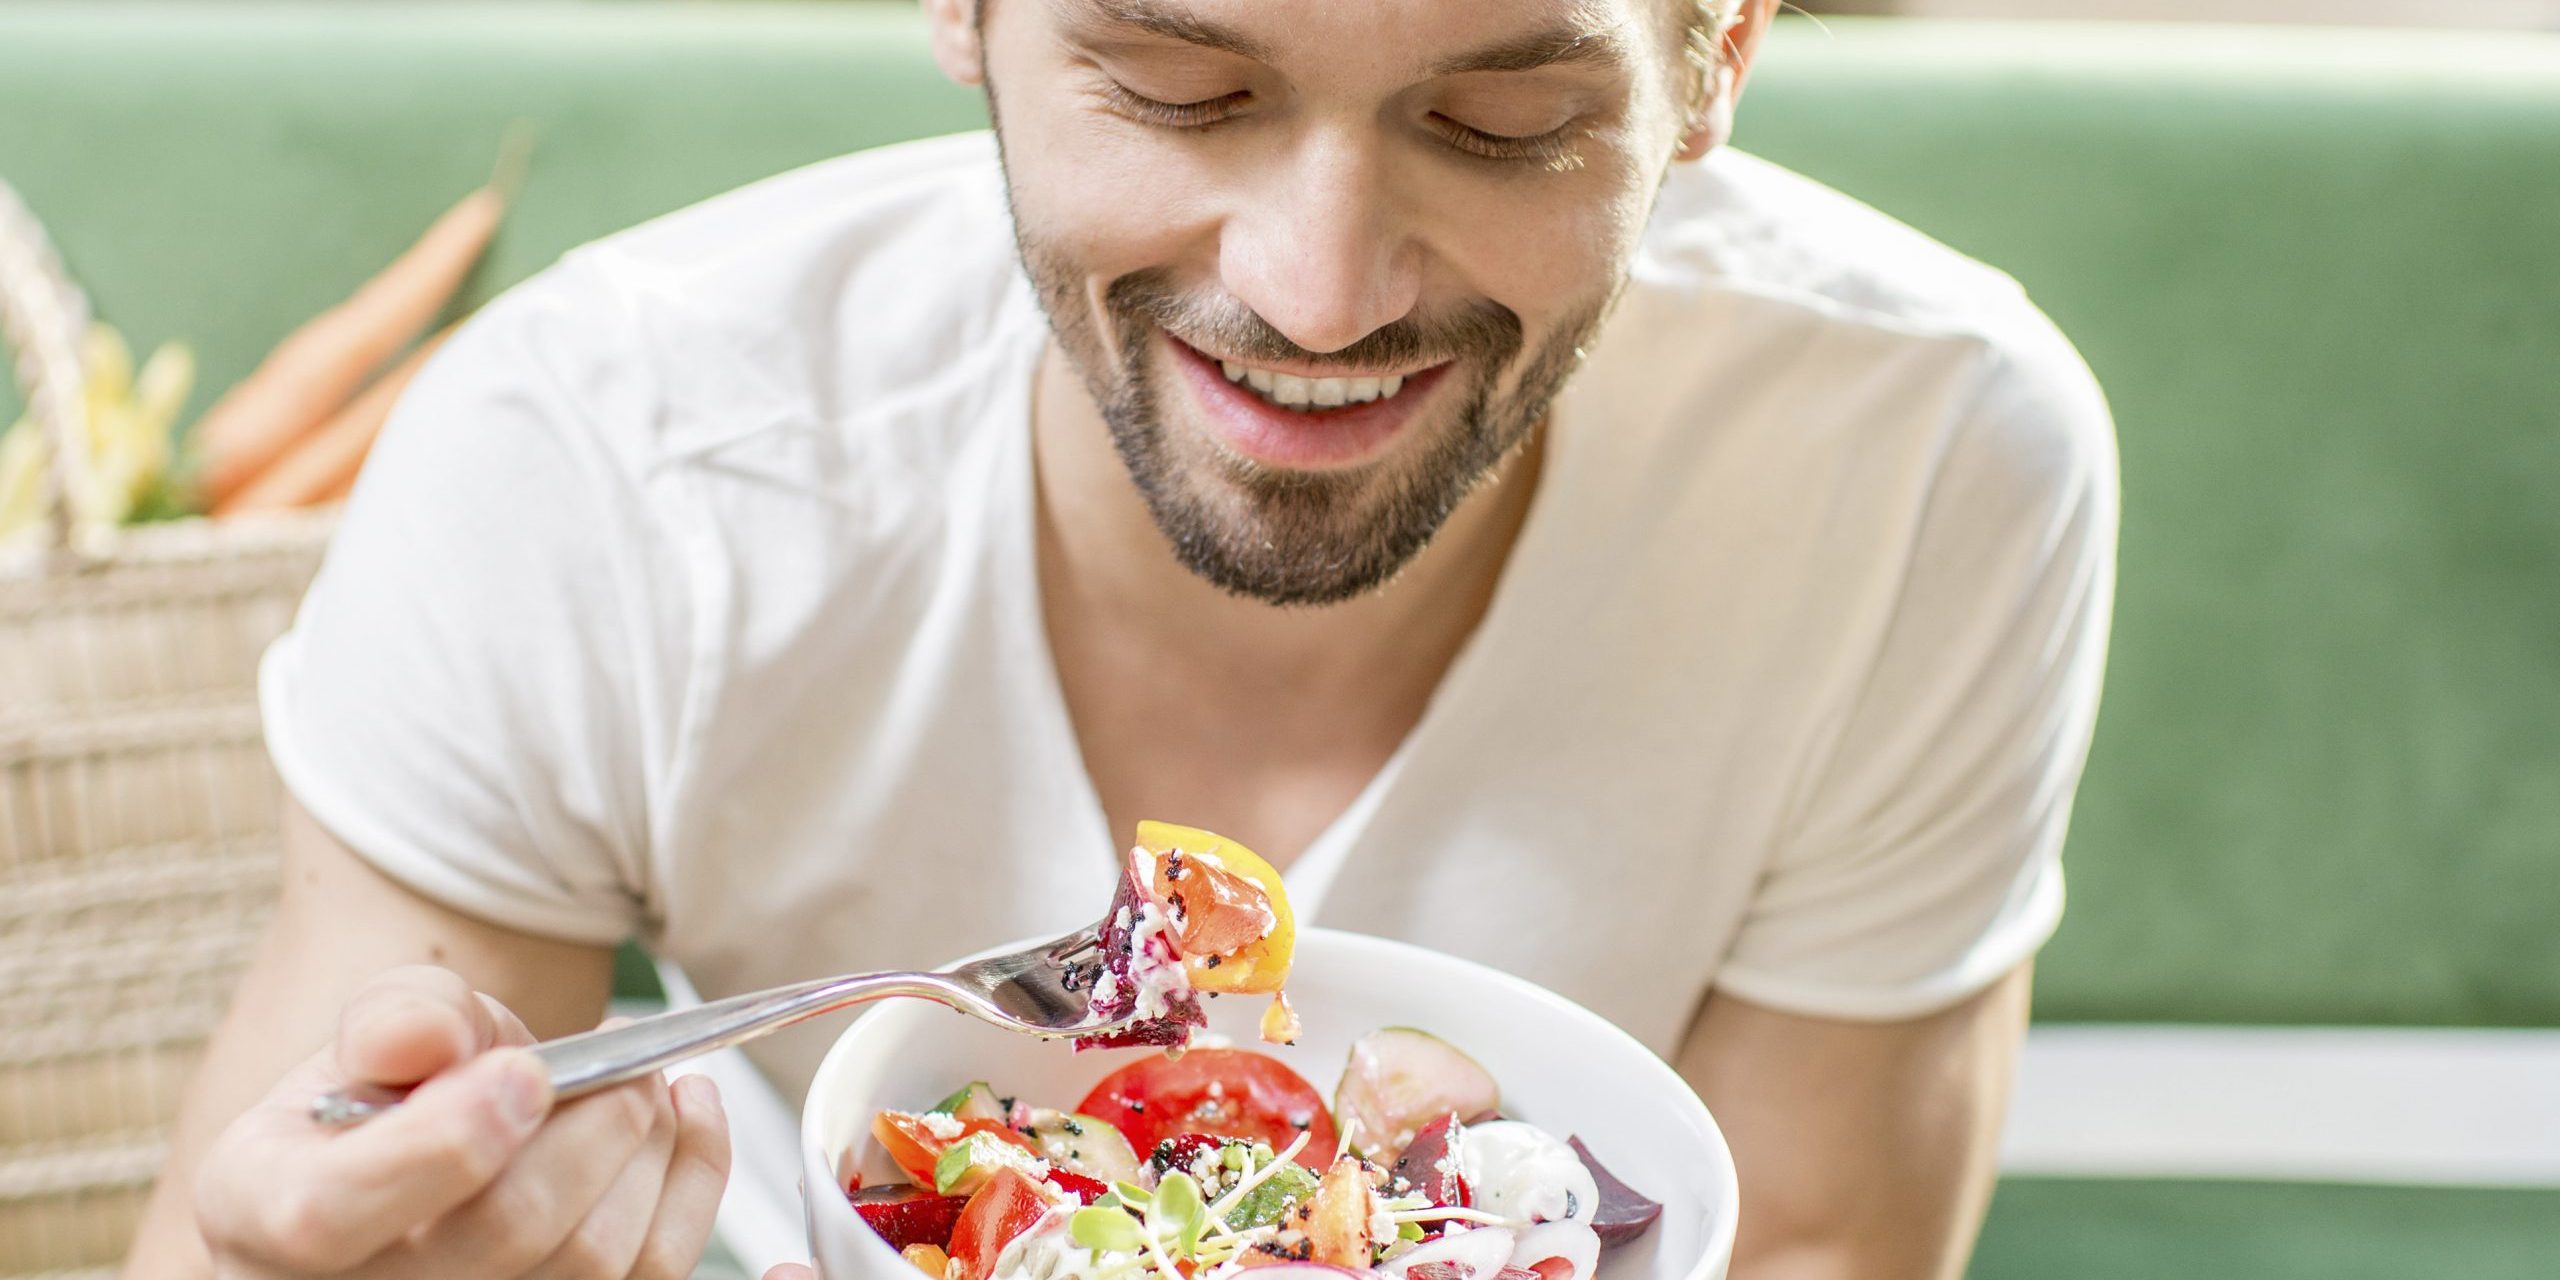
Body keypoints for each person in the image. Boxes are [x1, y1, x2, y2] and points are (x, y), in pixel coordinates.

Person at [128, 0, 2117, 1276]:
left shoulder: (1921, 460)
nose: (1317, 291)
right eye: (1175, 91)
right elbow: (318, 1179)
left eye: (1504, 121)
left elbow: (1801, 1244)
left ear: (1717, 58)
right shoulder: (598, 465)